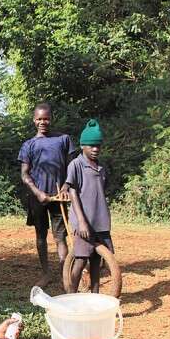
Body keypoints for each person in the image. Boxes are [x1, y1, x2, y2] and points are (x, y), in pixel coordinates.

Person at [18, 102, 77, 287]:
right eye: (39, 119)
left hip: (59, 196)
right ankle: (46, 274)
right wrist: (38, 193)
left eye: (46, 118)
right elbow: (24, 174)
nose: (43, 122)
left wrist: (66, 187)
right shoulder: (28, 145)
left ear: (51, 119)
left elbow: (72, 168)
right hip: (38, 198)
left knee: (60, 236)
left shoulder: (63, 140)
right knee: (41, 236)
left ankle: (65, 274)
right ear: (34, 120)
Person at [66, 119, 113, 293]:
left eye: (98, 146)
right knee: (81, 259)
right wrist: (81, 221)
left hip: (100, 221)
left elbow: (102, 191)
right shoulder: (76, 165)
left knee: (96, 262)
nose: (95, 149)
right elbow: (72, 192)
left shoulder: (101, 167)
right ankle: (71, 296)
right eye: (91, 146)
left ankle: (95, 296)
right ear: (82, 146)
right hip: (84, 222)